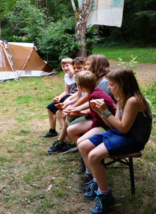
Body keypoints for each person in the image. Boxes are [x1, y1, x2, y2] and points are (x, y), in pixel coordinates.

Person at [78, 68, 152, 214]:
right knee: (84, 146)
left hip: (133, 139)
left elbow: (124, 129)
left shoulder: (133, 101)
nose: (109, 88)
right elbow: (114, 124)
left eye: (111, 85)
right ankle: (97, 182)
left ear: (122, 84)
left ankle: (105, 196)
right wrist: (100, 111)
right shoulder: (121, 99)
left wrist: (105, 111)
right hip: (119, 133)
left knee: (93, 156)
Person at [47, 57, 85, 153]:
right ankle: (63, 137)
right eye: (63, 66)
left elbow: (83, 96)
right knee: (53, 109)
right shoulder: (69, 76)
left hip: (81, 102)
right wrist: (62, 100)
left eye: (79, 68)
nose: (76, 70)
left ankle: (67, 140)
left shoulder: (83, 78)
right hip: (72, 98)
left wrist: (70, 106)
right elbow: (74, 93)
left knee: (62, 112)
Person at [41, 58, 76, 138]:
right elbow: (67, 91)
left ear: (72, 66)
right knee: (50, 107)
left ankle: (67, 135)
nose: (65, 68)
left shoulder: (77, 76)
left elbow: (79, 93)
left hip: (74, 98)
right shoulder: (66, 76)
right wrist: (59, 97)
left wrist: (67, 101)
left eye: (67, 66)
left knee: (60, 112)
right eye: (63, 66)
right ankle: (52, 131)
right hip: (69, 96)